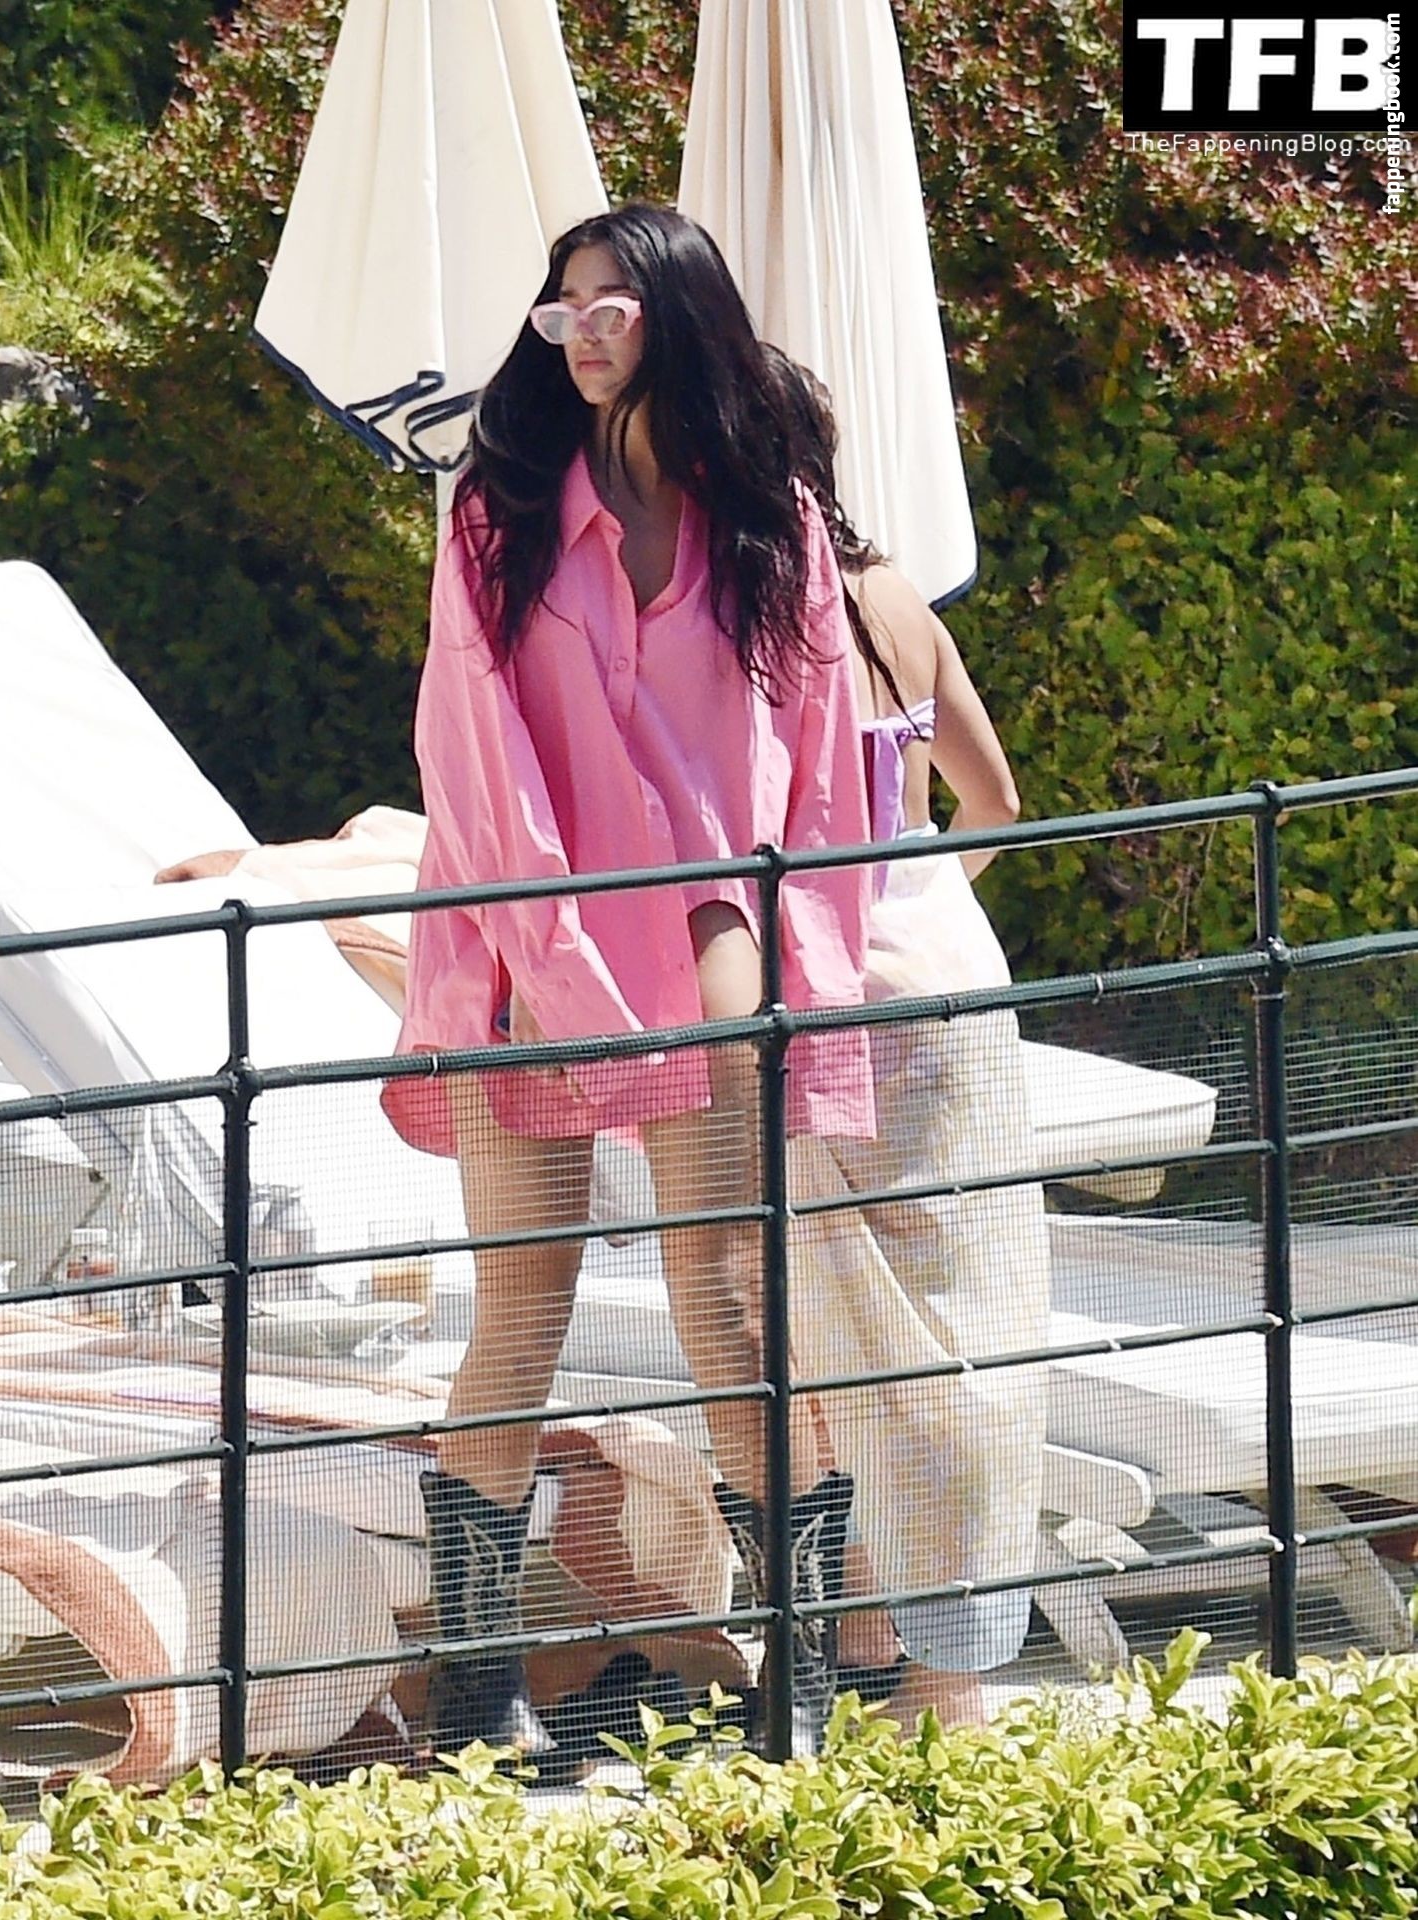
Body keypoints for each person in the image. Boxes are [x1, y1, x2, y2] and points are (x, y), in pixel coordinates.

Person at [381, 206, 876, 1763]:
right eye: (562, 309)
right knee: (520, 1311)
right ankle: (482, 1695)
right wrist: (556, 958)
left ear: (679, 314)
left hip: (708, 934)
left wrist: (802, 948)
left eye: (611, 305)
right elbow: (471, 754)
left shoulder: (773, 517)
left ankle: (799, 1684)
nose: (580, 332)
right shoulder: (501, 512)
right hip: (525, 938)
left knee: (726, 1300)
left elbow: (818, 763)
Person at [769, 348, 1051, 1730]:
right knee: (964, 1321)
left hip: (838, 989)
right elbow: (994, 805)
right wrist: (926, 894)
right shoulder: (897, 595)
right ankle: (937, 1666)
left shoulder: (758, 611)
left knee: (852, 1330)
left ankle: (908, 1671)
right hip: (956, 970)